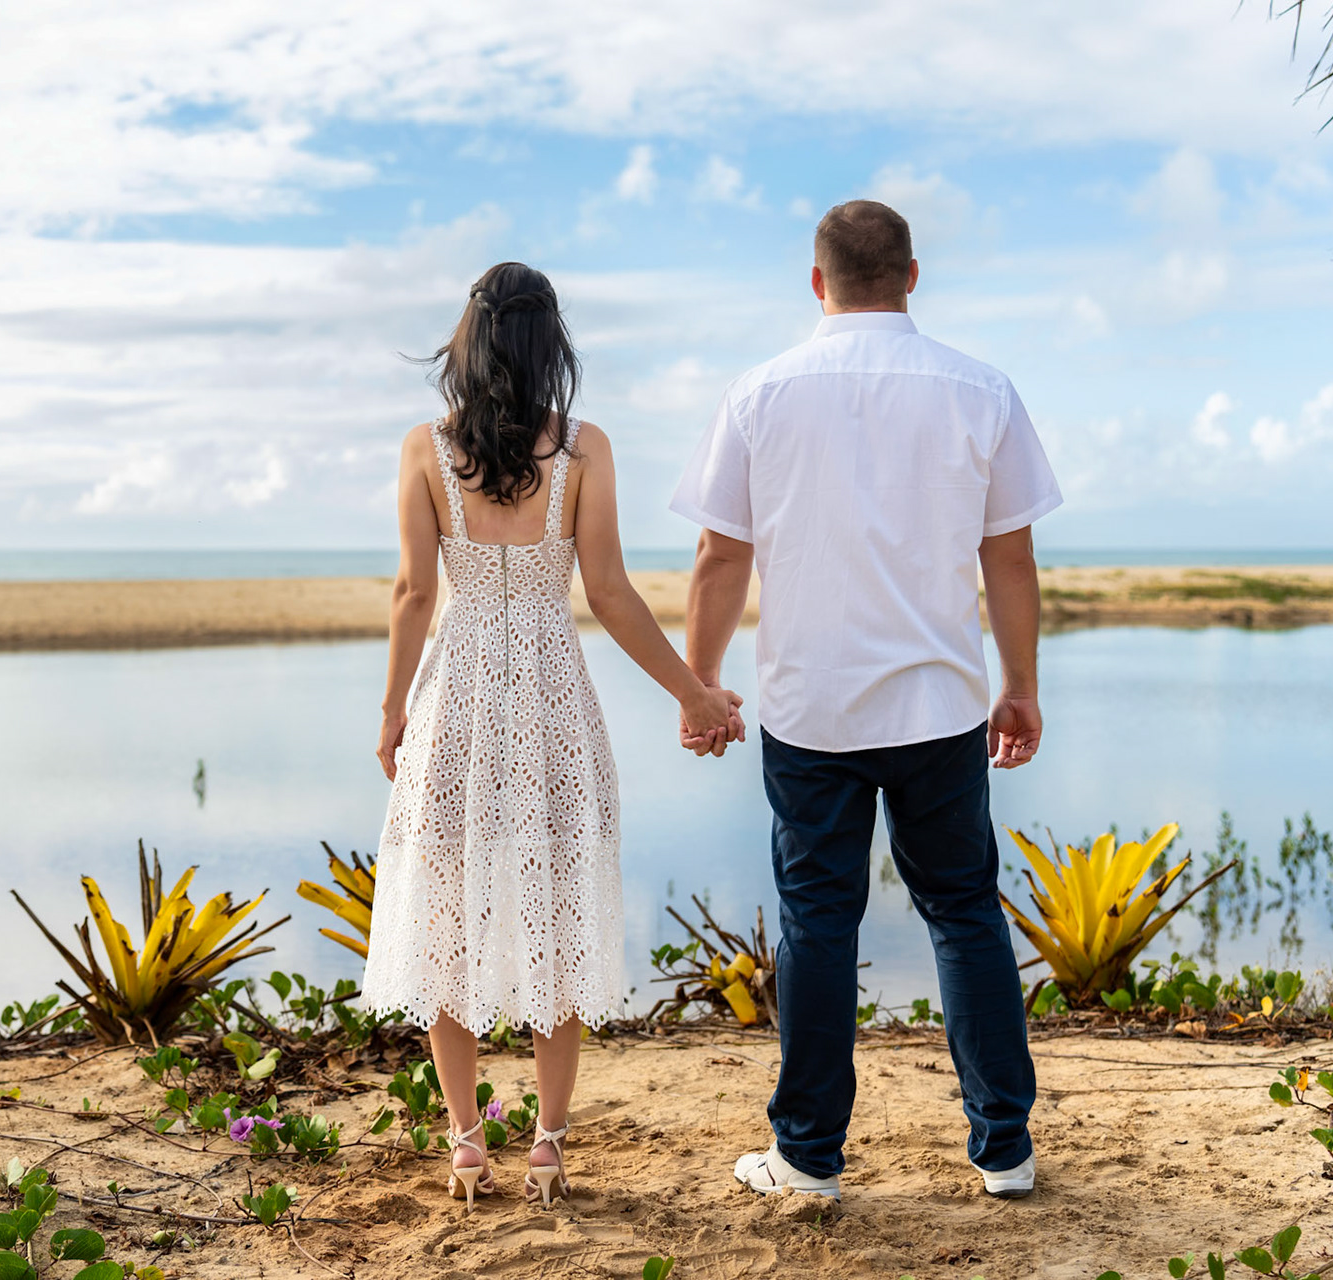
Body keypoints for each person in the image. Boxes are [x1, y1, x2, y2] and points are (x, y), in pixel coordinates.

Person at [672, 200, 1061, 1202]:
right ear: (913, 275)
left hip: (812, 710)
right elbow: (1010, 557)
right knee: (964, 913)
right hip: (940, 705)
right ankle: (1005, 1151)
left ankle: (807, 1157)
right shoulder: (982, 389)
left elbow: (719, 554)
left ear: (817, 282)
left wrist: (703, 682)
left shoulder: (758, 393)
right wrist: (1019, 686)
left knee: (816, 922)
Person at [362, 261, 744, 1211]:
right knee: (557, 912)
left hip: (455, 701)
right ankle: (547, 1147)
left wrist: (393, 708)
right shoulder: (583, 448)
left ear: (467, 343)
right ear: (551, 347)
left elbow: (413, 594)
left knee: (444, 918)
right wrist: (694, 694)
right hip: (551, 705)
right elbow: (608, 592)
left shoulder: (425, 449)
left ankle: (465, 1145)